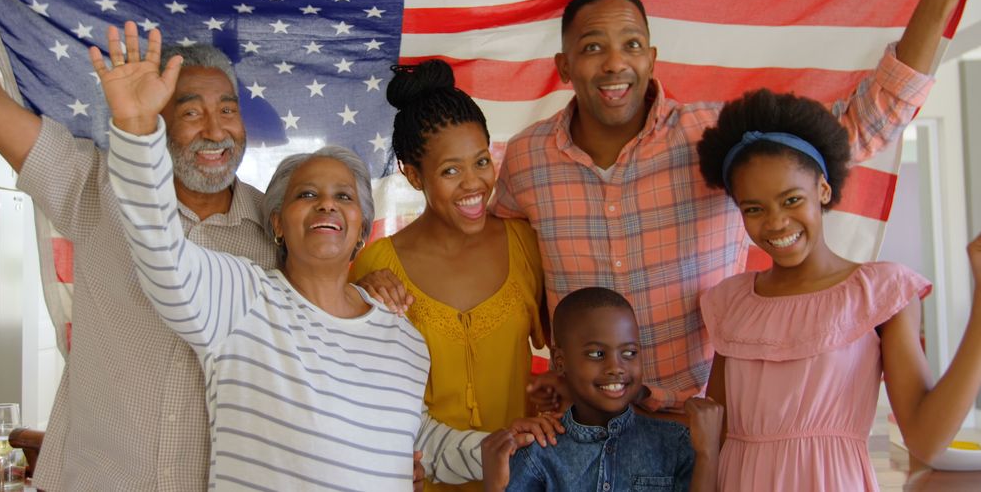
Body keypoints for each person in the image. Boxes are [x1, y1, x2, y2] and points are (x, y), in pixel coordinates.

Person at [497, 0, 981, 413]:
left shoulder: (710, 136)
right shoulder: (526, 158)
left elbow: (865, 123)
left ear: (652, 59)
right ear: (563, 65)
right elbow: (498, 264)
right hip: (584, 430)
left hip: (706, 426)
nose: (615, 63)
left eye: (632, 45)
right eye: (593, 47)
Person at [96, 23, 562, 490]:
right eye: (307, 194)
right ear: (277, 222)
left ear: (361, 227)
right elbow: (160, 249)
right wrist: (138, 129)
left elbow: (420, 442)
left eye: (344, 196)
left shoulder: (402, 336)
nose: (327, 204)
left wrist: (496, 445)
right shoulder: (240, 298)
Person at [0, 0, 278, 488]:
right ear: (155, 118)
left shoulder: (277, 232)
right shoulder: (94, 182)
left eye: (228, 109)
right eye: (190, 109)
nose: (216, 128)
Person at [695, 89, 981, 491]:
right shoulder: (730, 302)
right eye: (754, 209)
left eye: (792, 199)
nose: (776, 223)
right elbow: (717, 436)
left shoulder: (880, 291)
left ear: (823, 192)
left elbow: (925, 438)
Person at [350, 59, 547, 491]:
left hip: (523, 480)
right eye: (450, 171)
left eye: (481, 161)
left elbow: (571, 347)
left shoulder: (525, 245)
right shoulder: (377, 267)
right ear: (413, 175)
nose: (473, 184)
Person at [481, 287, 723, 492]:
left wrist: (708, 453)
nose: (616, 367)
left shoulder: (674, 443)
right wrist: (495, 484)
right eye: (597, 354)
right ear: (560, 360)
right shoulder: (539, 453)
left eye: (629, 353)